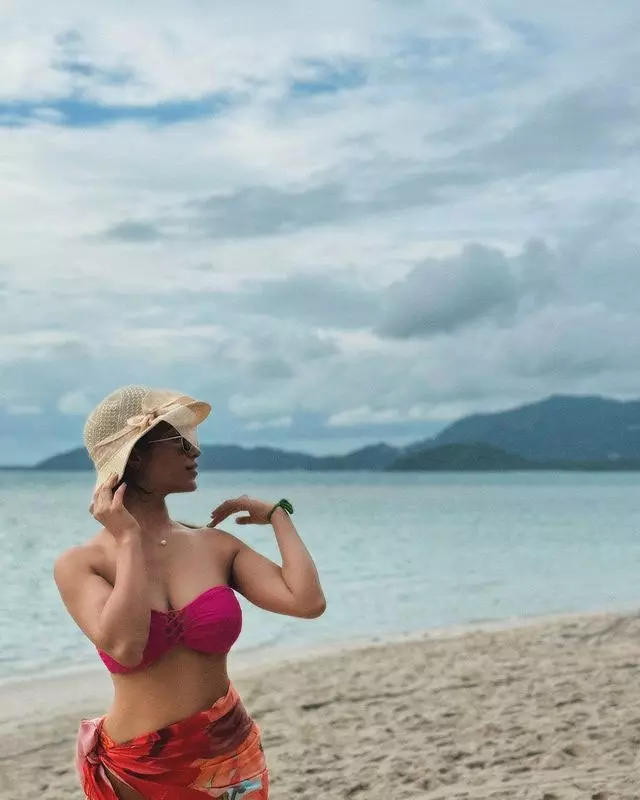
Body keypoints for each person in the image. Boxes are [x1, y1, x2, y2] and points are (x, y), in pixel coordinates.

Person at [54, 386, 326, 799]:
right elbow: (126, 647)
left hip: (232, 755)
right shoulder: (81, 564)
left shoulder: (215, 546)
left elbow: (306, 602)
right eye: (179, 442)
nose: (194, 451)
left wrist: (277, 516)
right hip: (140, 770)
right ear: (136, 456)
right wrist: (128, 540)